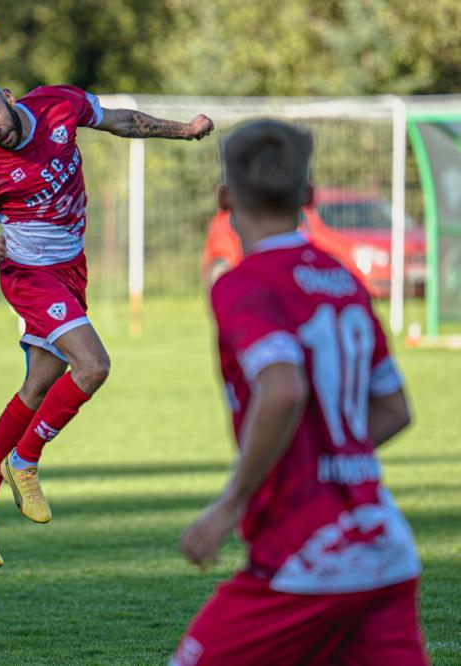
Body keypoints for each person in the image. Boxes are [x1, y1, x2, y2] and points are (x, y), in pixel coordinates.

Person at [172, 120, 427, 665]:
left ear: (224, 198)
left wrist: (229, 504)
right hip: (385, 546)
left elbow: (283, 389)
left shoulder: (242, 284)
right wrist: (329, 456)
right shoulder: (344, 279)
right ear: (309, 197)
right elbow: (395, 409)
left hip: (306, 554)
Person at [0, 80, 214, 566]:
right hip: (29, 275)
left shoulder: (56, 103)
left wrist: (185, 130)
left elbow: (122, 121)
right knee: (93, 366)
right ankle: (24, 461)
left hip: (70, 267)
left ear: (8, 96)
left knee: (38, 385)